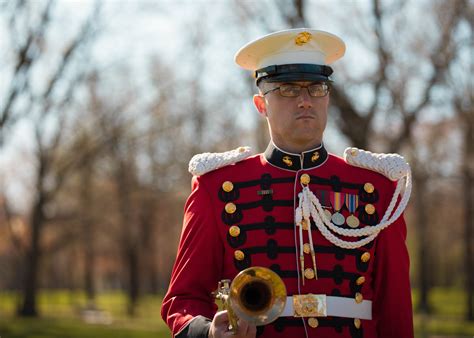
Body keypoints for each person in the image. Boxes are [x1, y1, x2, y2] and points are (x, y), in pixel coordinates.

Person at [161, 28, 414, 338]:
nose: (305, 101)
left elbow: (396, 307)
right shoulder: (218, 187)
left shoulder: (377, 188)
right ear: (261, 104)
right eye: (288, 89)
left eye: (316, 88)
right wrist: (208, 333)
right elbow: (182, 299)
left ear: (328, 97)